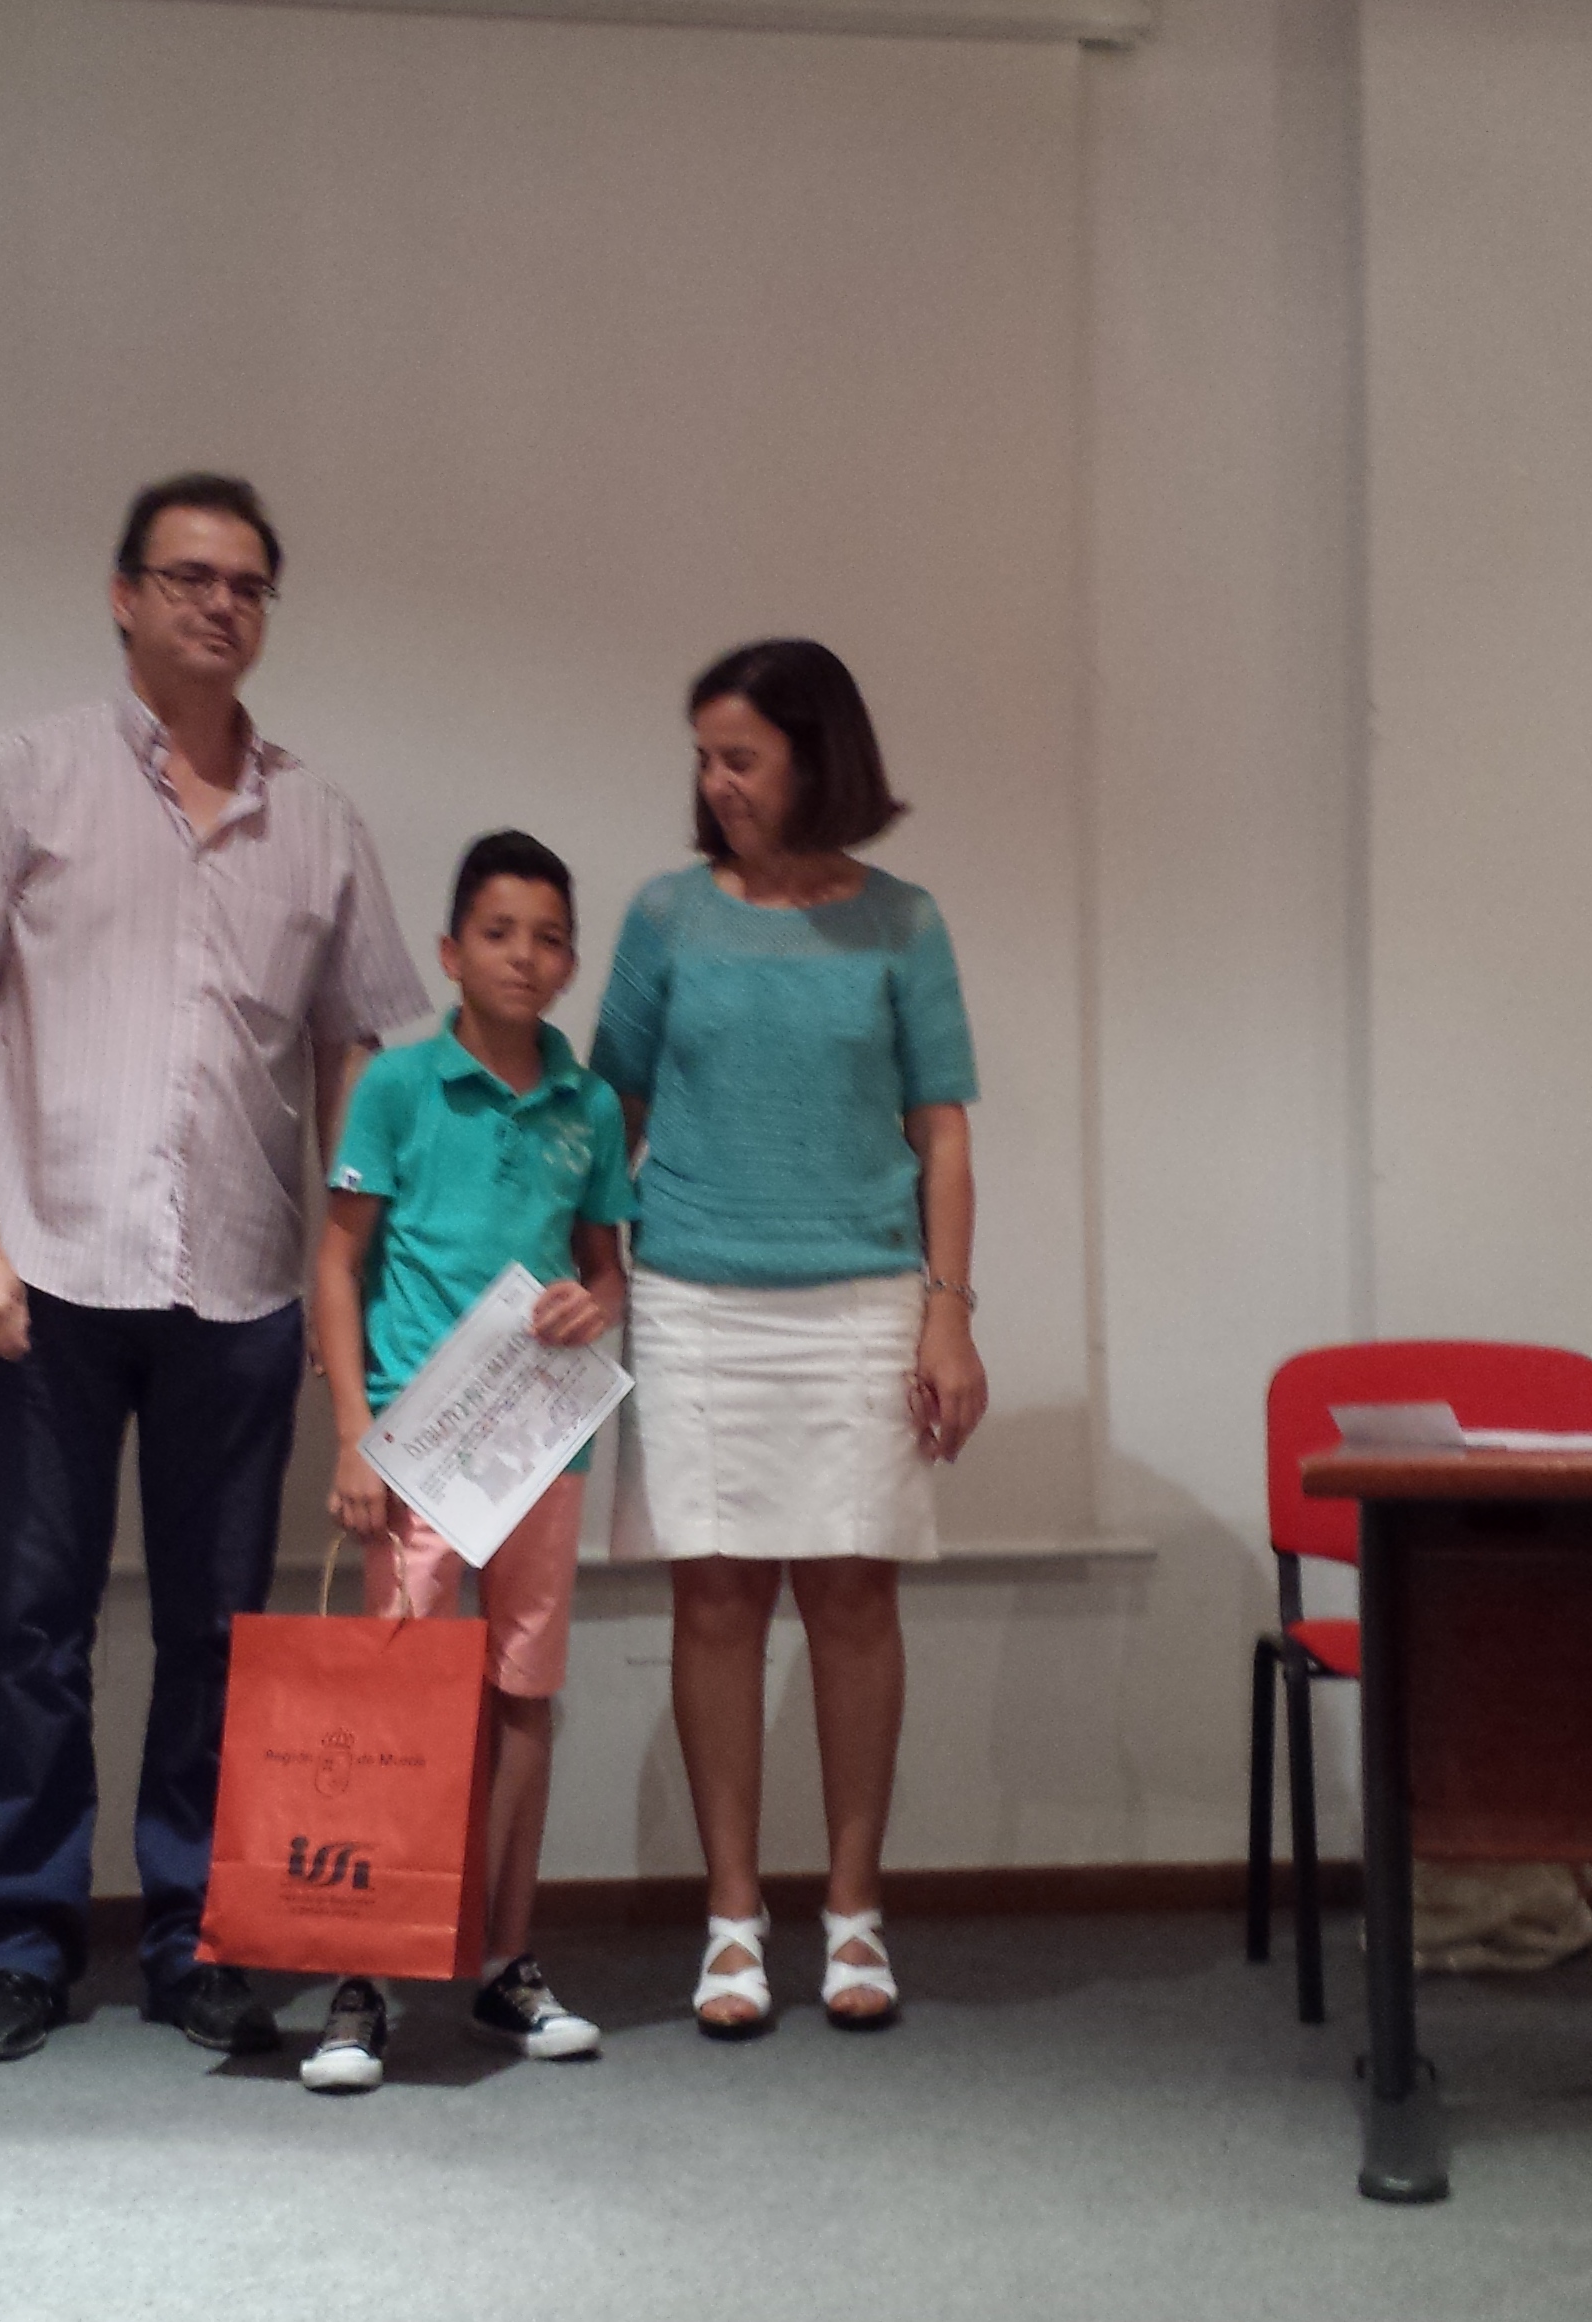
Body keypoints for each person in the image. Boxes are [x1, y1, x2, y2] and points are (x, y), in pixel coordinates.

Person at [0, 474, 427, 2063]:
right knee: (33, 1627)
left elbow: (355, 1061)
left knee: (222, 1631)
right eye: (190, 576)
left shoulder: (320, 820)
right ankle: (26, 1942)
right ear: (123, 594)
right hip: (48, 1275)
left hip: (244, 1289)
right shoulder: (24, 775)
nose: (220, 604)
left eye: (248, 584)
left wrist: (346, 1274)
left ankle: (201, 1935)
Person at [590, 638, 983, 2038]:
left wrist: (949, 1309)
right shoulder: (666, 917)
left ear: (817, 758)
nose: (716, 782)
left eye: (740, 757)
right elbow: (608, 1115)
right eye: (704, 757)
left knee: (854, 1603)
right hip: (692, 1295)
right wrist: (586, 1271)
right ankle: (733, 1918)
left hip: (862, 1297)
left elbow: (942, 1132)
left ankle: (856, 1910)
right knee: (714, 1602)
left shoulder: (903, 923)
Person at [295, 830, 634, 2093]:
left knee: (523, 1695)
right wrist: (353, 1435)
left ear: (571, 963)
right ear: (450, 951)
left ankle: (504, 1959)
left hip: (541, 1443)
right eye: (498, 933)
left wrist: (597, 1303)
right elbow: (337, 1262)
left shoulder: (590, 1105)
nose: (523, 958)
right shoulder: (397, 1086)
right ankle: (366, 1978)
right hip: (417, 1444)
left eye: (549, 939)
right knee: (397, 1703)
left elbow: (607, 1268)